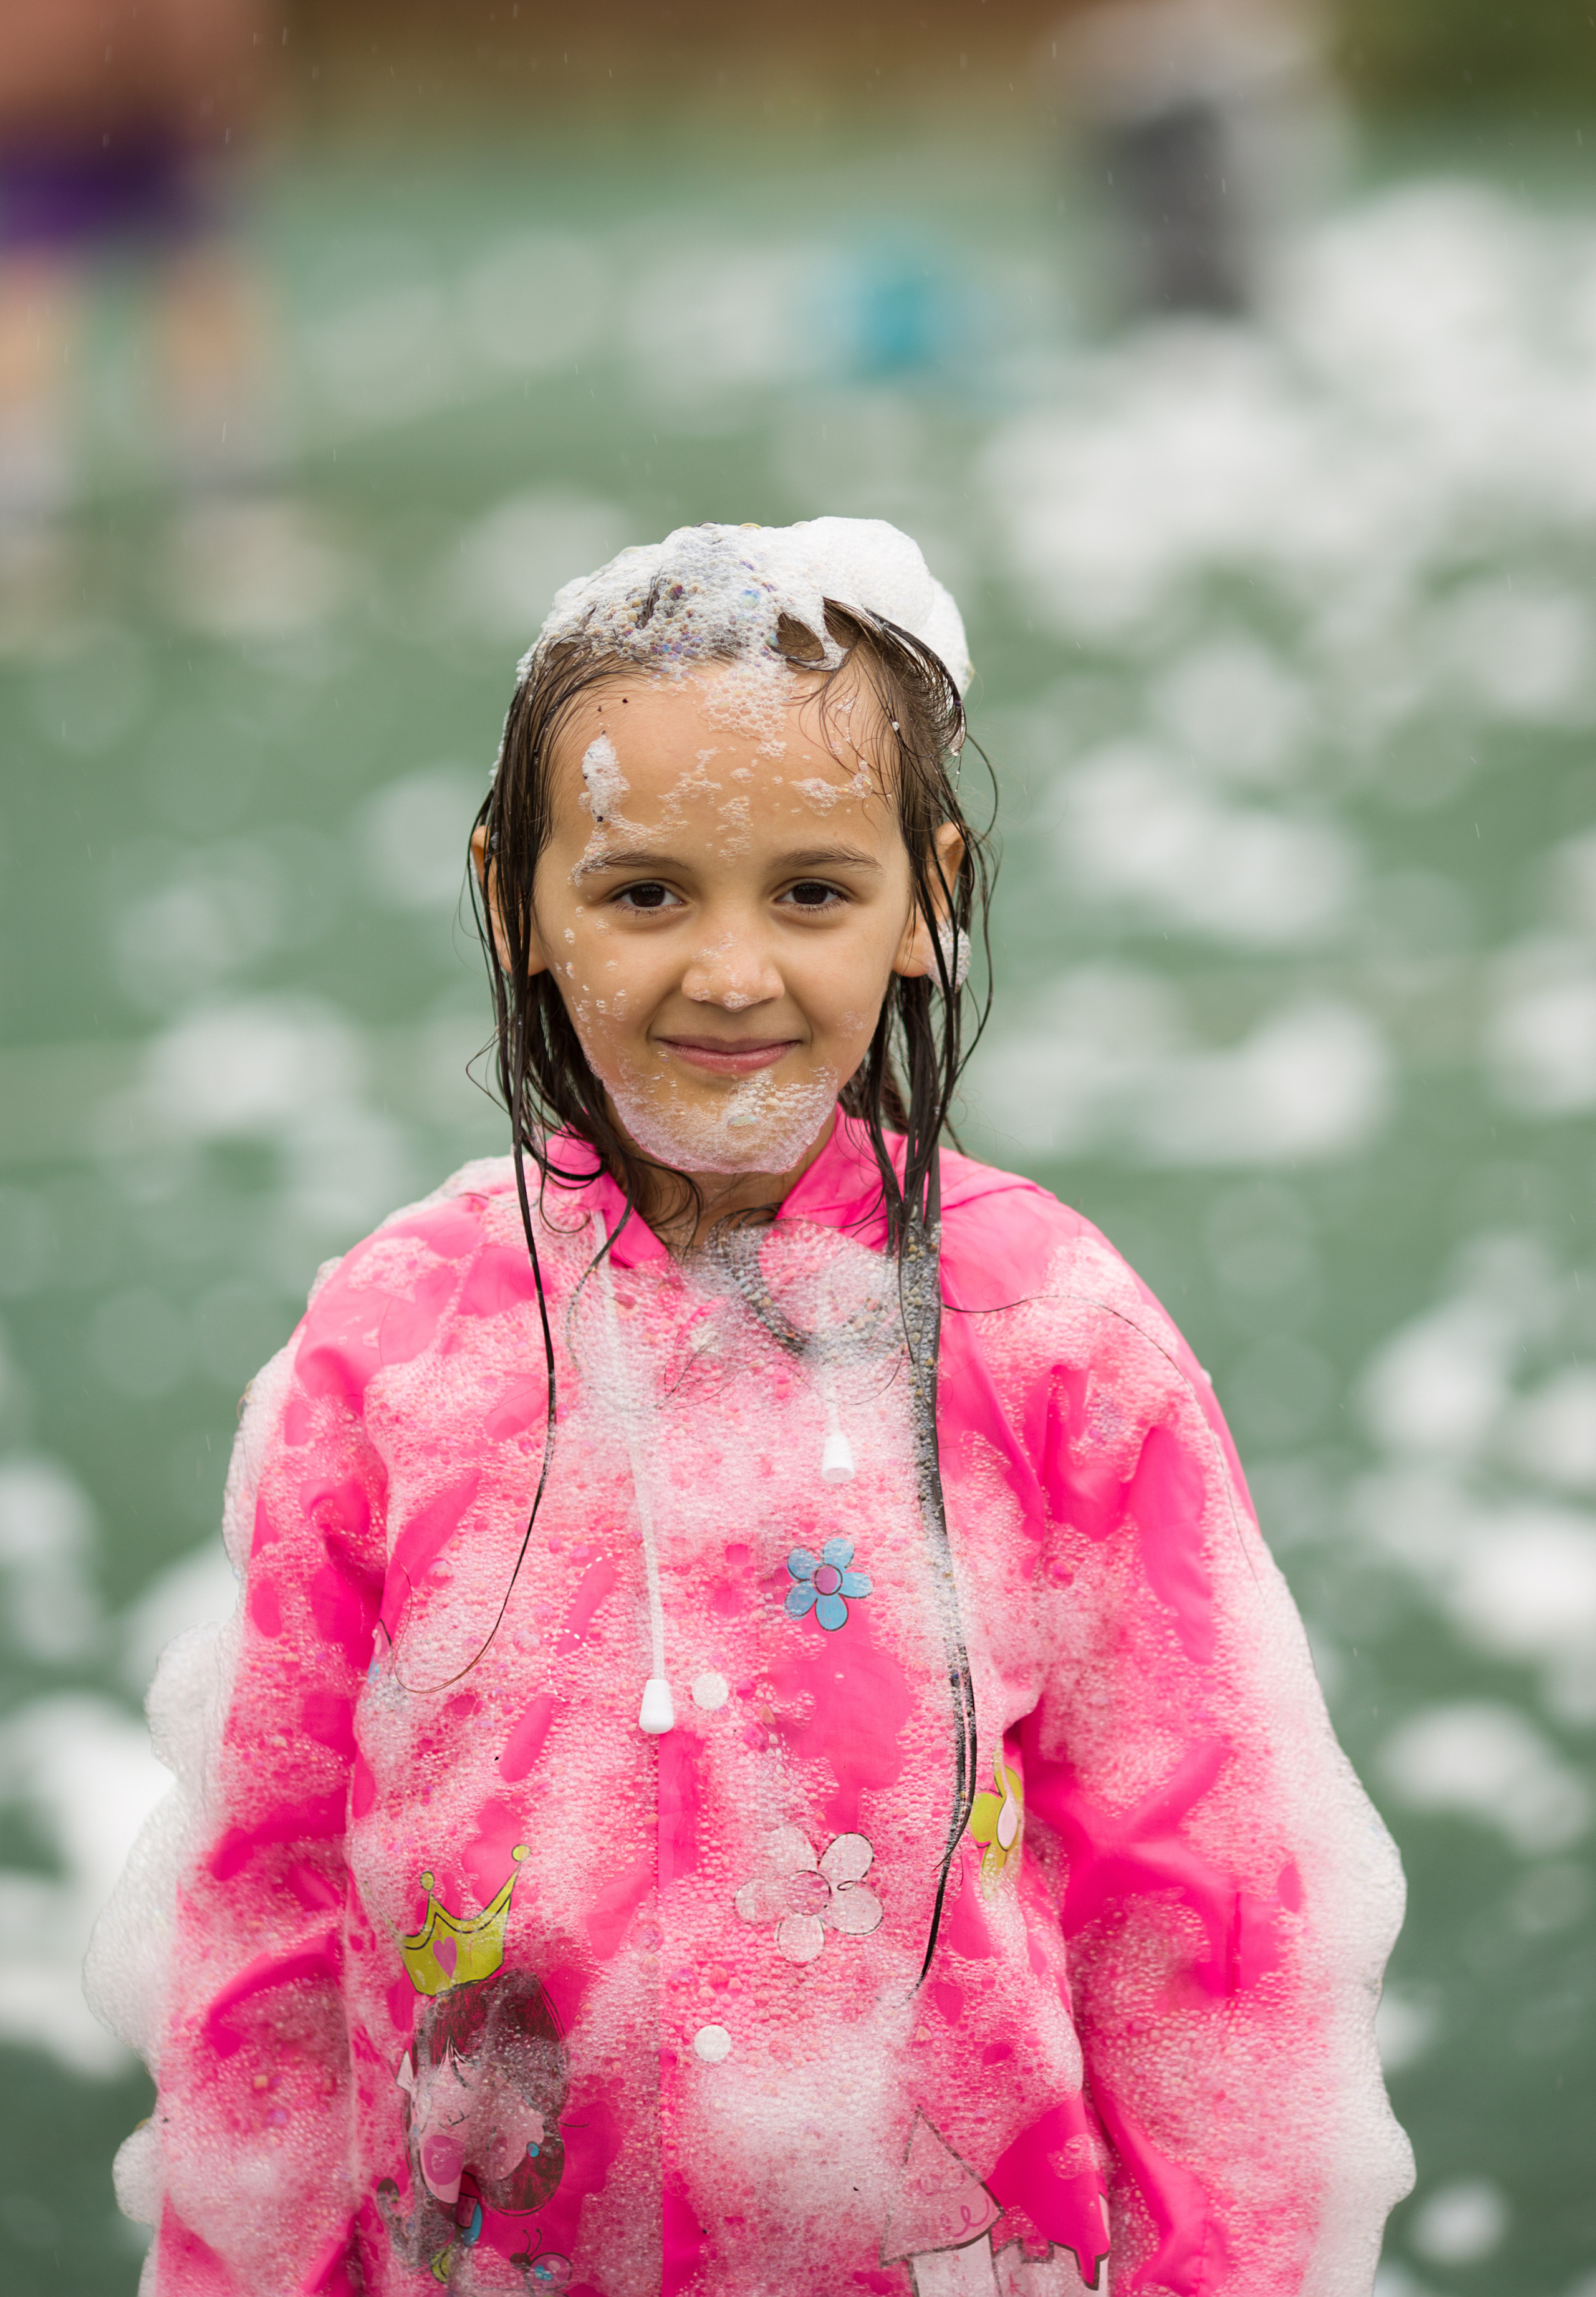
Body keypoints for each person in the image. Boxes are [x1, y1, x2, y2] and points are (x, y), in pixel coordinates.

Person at [88, 518, 1414, 2296]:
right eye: (646, 893)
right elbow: (266, 1904)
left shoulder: (1053, 1336)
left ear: (928, 899)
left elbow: (1212, 1920)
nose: (729, 972)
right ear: (515, 896)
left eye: (811, 892)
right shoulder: (394, 1348)